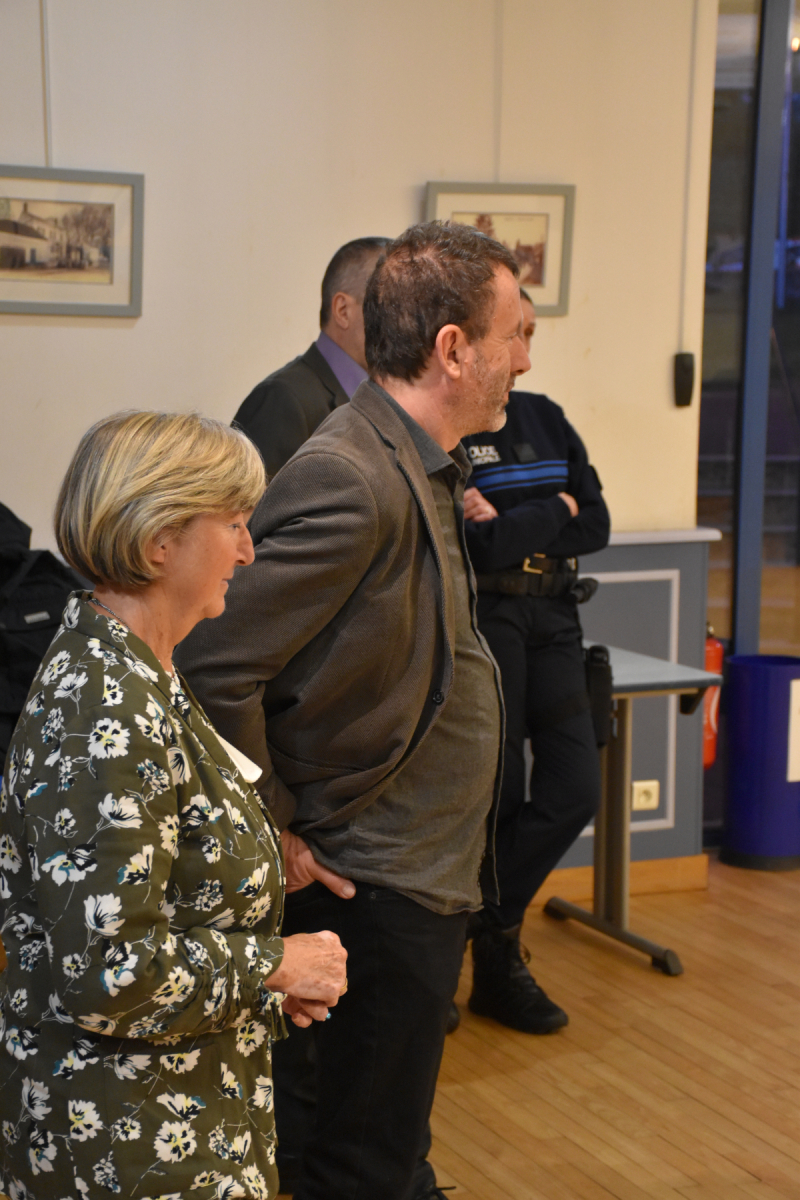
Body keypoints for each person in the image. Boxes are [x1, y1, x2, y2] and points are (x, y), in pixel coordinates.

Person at [176, 221, 530, 1200]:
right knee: (359, 1161)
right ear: (453, 348)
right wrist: (276, 830)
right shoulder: (350, 471)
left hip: (414, 873)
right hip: (370, 879)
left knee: (385, 1147)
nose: (524, 360)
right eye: (516, 334)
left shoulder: (415, 457)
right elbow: (212, 661)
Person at [0, 411, 347, 1200]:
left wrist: (262, 987)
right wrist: (275, 963)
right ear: (161, 541)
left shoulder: (139, 669)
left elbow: (165, 892)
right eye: (234, 523)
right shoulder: (107, 708)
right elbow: (108, 971)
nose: (248, 550)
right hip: (127, 1147)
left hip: (177, 1113)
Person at [461, 289, 610, 1034]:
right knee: (503, 796)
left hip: (555, 618)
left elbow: (599, 523)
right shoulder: (456, 429)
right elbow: (483, 547)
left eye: (529, 333)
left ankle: (476, 923)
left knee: (576, 788)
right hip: (491, 619)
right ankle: (497, 966)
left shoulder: (548, 416)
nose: (524, 352)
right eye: (512, 334)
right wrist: (558, 509)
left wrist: (521, 522)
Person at [233, 236, 390, 476]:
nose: (404, 323)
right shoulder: (282, 400)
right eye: (390, 307)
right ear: (343, 311)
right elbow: (251, 499)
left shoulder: (384, 396)